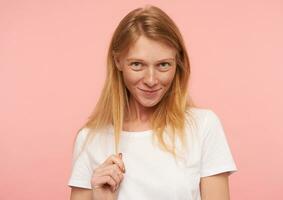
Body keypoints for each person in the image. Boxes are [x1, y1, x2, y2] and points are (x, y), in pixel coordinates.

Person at [68, 4, 238, 200]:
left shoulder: (203, 126)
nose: (151, 80)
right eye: (137, 64)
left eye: (163, 65)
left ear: (178, 62)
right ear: (118, 61)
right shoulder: (90, 139)